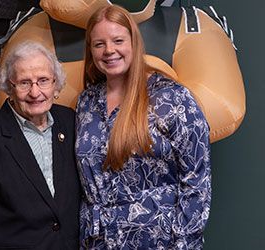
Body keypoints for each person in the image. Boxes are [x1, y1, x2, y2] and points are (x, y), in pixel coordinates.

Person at [75, 5, 211, 250]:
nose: (109, 51)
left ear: (134, 43)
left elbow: (197, 182)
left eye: (118, 40)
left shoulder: (172, 99)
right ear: (91, 50)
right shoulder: (86, 102)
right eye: (99, 44)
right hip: (99, 241)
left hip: (158, 241)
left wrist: (184, 244)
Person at [0, 42, 80, 250]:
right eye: (24, 83)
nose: (35, 92)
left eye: (43, 80)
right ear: (9, 87)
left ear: (55, 83)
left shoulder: (71, 121)